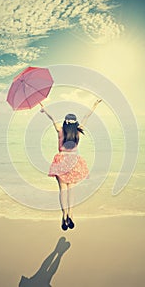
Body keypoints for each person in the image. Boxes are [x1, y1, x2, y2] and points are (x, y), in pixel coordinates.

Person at [40, 99, 102, 231]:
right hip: (74, 161)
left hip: (61, 160)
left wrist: (44, 108)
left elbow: (53, 117)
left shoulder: (60, 130)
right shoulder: (78, 131)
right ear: (75, 124)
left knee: (63, 190)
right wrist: (94, 105)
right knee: (71, 191)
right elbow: (86, 116)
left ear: (65, 122)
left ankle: (64, 215)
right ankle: (71, 215)